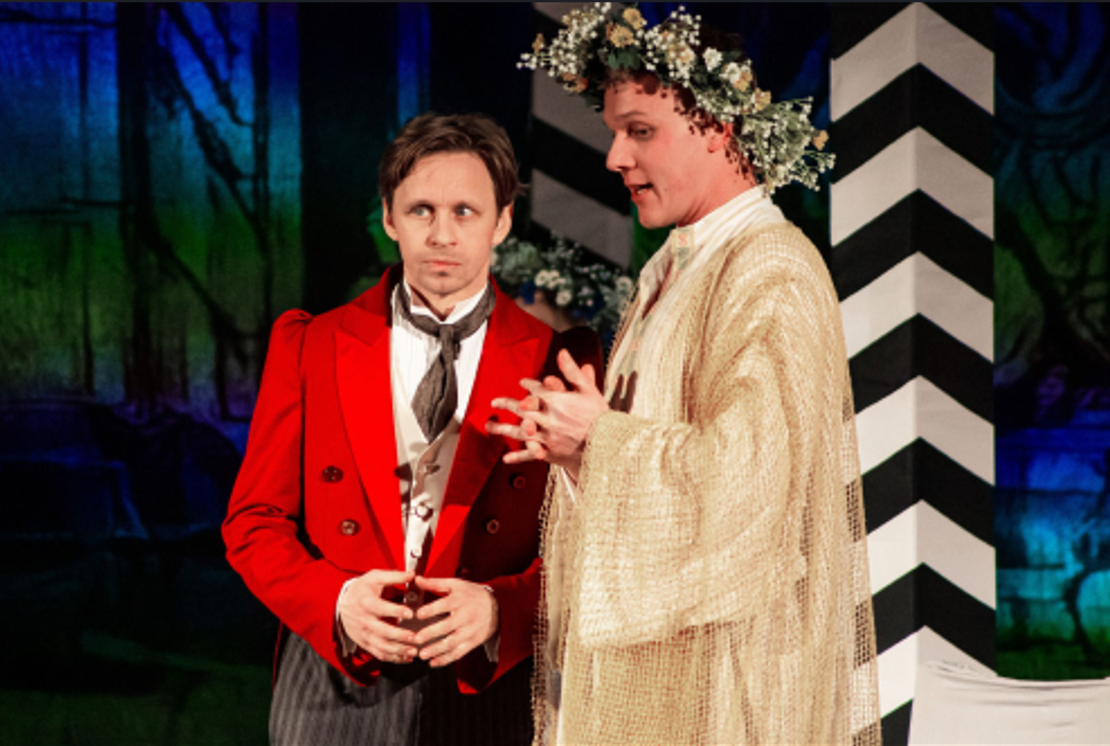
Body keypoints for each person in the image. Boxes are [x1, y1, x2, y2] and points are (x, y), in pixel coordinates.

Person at [490, 5, 882, 745]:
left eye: (640, 130)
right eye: (615, 132)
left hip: (725, 685)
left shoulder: (771, 270)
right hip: (657, 669)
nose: (615, 157)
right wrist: (575, 449)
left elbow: (752, 487)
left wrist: (600, 440)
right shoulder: (677, 265)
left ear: (719, 127)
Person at [223, 111, 600, 746]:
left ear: (502, 221)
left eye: (465, 212)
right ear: (389, 218)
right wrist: (336, 600)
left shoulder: (554, 360)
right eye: (421, 210)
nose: (442, 234)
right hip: (336, 681)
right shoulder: (312, 345)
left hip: (484, 685)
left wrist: (503, 610)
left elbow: (594, 545)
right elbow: (253, 522)